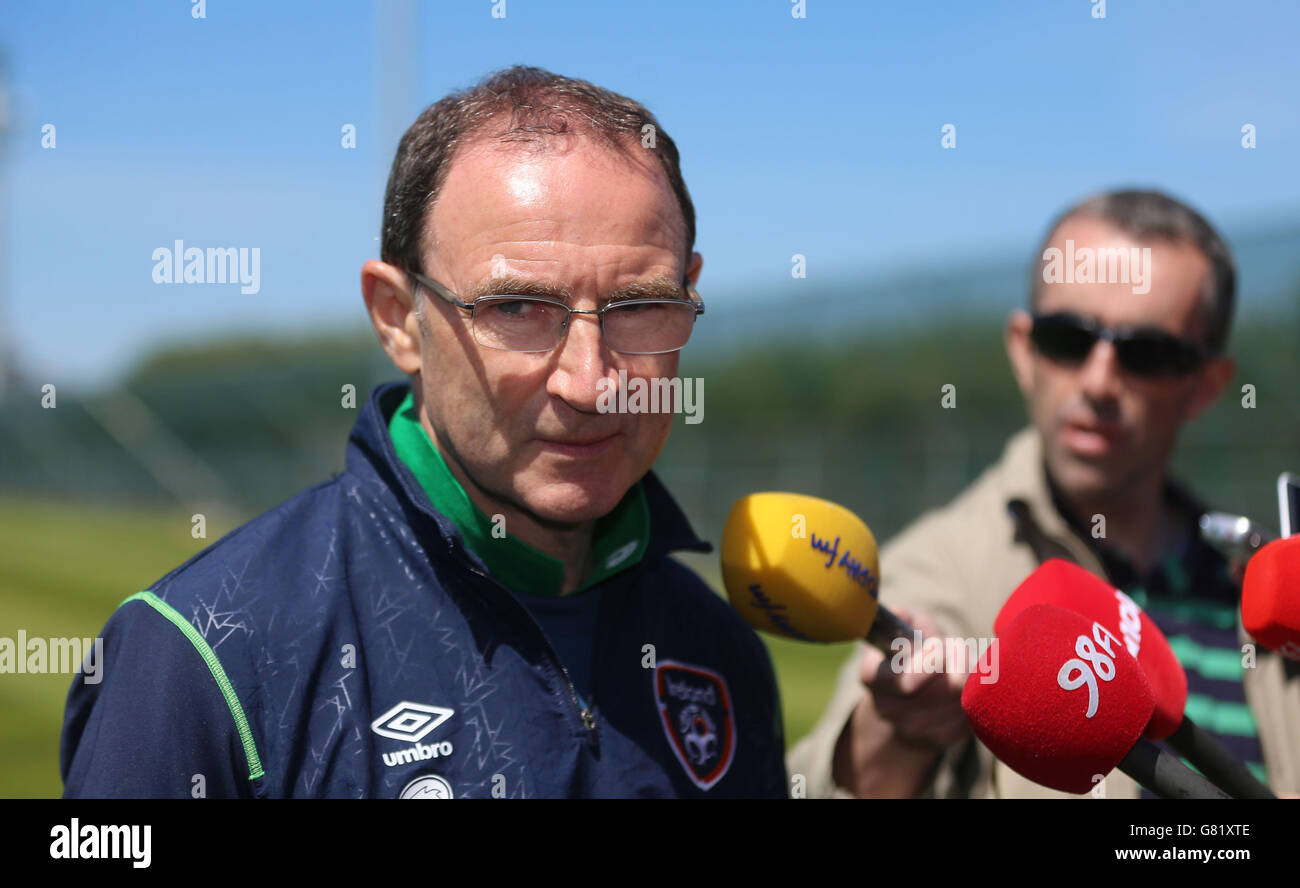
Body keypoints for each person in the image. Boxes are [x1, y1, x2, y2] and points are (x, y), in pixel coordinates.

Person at [61, 66, 787, 799]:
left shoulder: (720, 652)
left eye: (638, 307)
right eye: (518, 309)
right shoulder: (200, 655)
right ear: (398, 317)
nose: (591, 381)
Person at [788, 189, 1300, 799]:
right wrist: (901, 730)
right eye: (1069, 339)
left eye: (1147, 353)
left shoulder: (1265, 581)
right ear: (1024, 350)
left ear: (1206, 386)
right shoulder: (937, 564)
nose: (1098, 380)